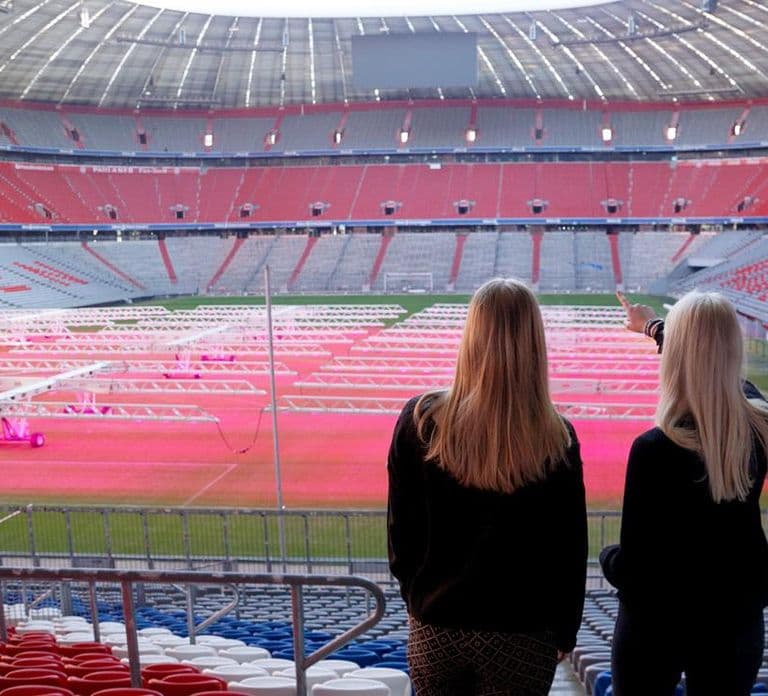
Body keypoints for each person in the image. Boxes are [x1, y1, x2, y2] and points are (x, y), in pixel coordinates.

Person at [387, 277, 588, 696]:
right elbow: (568, 549)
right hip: (523, 631)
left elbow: (401, 531)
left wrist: (419, 599)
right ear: (534, 342)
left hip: (437, 623)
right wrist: (565, 631)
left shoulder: (421, 420)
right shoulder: (557, 437)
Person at [601, 291, 768, 696]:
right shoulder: (757, 433)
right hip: (736, 616)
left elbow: (635, 569)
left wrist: (607, 559)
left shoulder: (653, 449)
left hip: (656, 624)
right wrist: (654, 328)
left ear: (676, 355)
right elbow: (728, 381)